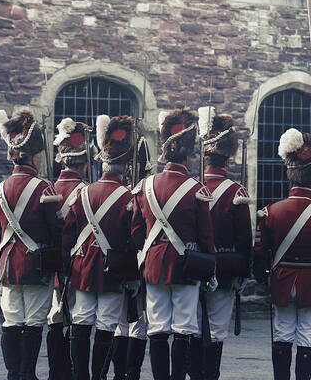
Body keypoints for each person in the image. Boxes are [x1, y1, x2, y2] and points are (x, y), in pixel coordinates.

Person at [253, 129, 311, 380]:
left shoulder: (271, 211)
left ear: (290, 176)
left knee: (282, 334)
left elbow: (260, 252)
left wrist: (264, 281)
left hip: (283, 281)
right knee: (308, 337)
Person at [131, 108, 214, 380]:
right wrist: (209, 266)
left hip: (154, 265)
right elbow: (206, 237)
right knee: (184, 327)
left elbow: (135, 232)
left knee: (157, 328)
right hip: (187, 266)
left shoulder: (144, 186)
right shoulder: (197, 188)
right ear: (188, 155)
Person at [0, 109, 63, 380]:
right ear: (34, 155)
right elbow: (56, 230)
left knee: (11, 321)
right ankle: (26, 374)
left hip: (7, 265)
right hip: (36, 265)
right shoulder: (44, 188)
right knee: (33, 322)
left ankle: (13, 375)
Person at [63, 115, 136, 380]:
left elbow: (68, 233)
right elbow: (135, 237)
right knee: (107, 326)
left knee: (81, 322)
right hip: (113, 271)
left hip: (83, 267)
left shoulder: (82, 193)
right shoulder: (130, 197)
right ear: (126, 166)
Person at [189, 107, 253, 380]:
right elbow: (244, 241)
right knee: (215, 330)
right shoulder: (236, 192)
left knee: (191, 327)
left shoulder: (189, 186)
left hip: (191, 268)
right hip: (225, 270)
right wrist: (243, 272)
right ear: (227, 158)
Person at [103, 134, 153, 380]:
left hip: (121, 263)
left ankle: (121, 374)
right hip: (136, 264)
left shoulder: (132, 194)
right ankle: (127, 374)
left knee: (123, 323)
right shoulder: (139, 196)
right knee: (138, 323)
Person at [47, 118, 93, 380]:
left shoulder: (47, 188)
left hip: (51, 266)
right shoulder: (87, 191)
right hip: (79, 266)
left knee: (54, 319)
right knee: (78, 321)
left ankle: (57, 373)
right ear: (84, 162)